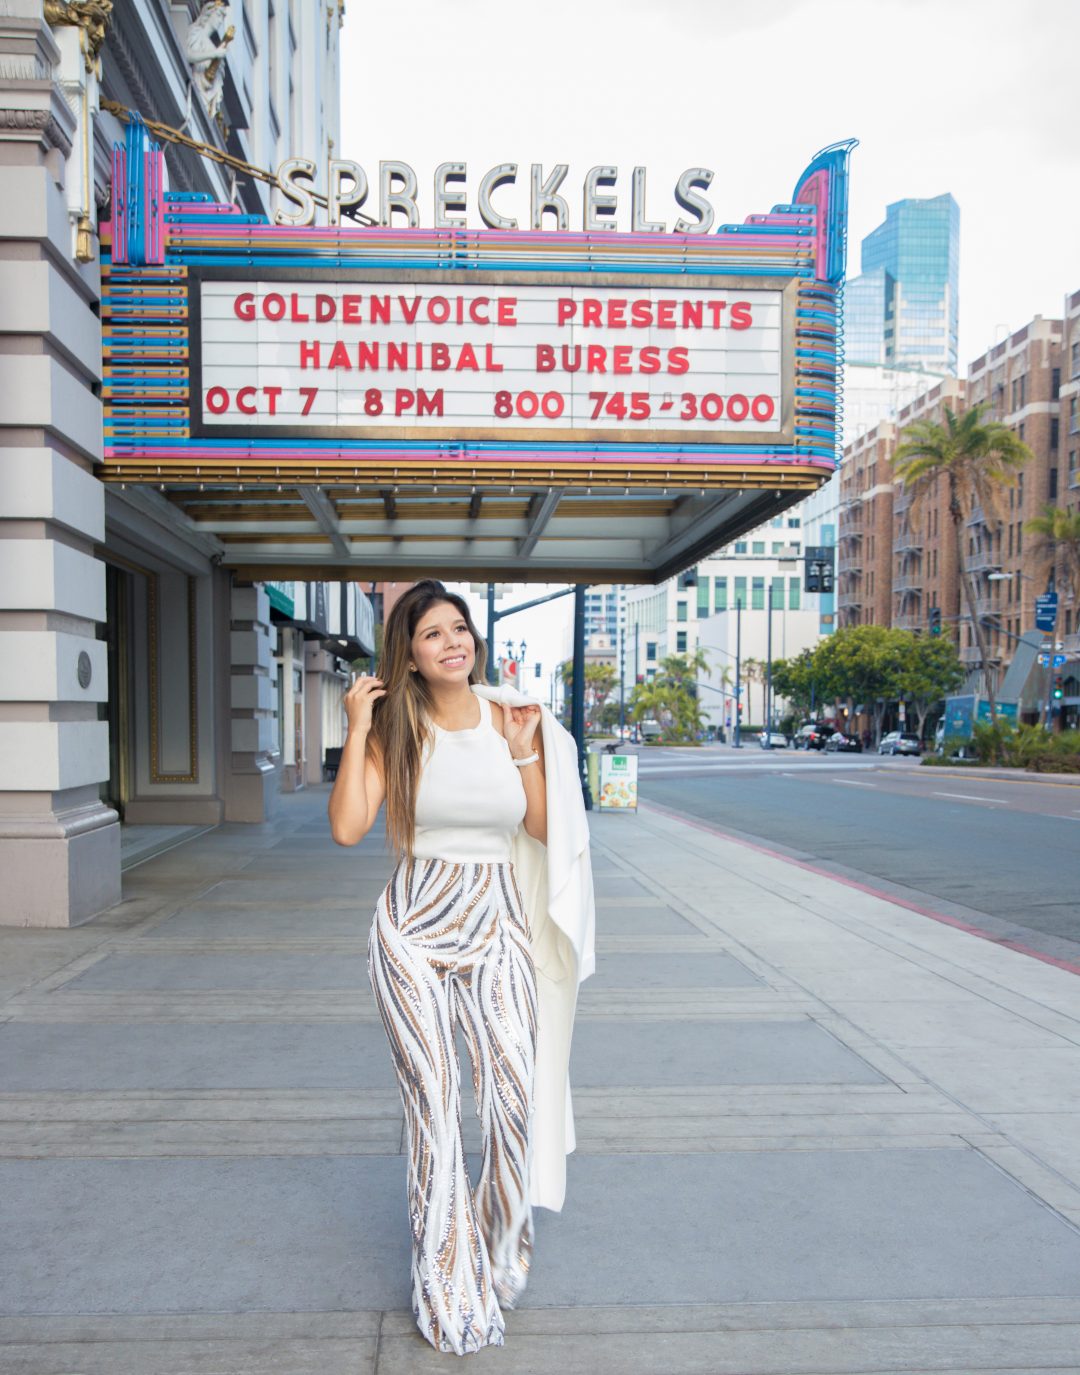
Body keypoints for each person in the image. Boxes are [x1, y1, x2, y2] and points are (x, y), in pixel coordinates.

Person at [328, 579, 594, 1356]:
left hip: (497, 925)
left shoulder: (509, 717)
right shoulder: (397, 728)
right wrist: (357, 725)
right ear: (409, 655)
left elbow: (542, 827)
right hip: (412, 930)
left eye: (459, 628)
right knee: (435, 1107)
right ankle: (446, 1279)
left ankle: (496, 1246)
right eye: (432, 634)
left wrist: (525, 750)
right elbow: (348, 827)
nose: (452, 642)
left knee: (513, 1097)